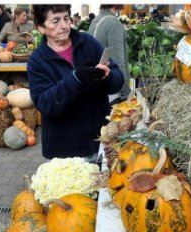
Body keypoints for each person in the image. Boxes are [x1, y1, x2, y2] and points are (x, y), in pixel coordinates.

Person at [29, 5, 124, 160]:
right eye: (55, 21)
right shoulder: (38, 61)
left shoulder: (87, 43)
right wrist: (75, 79)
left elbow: (117, 79)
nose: (64, 26)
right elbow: (44, 103)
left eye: (66, 18)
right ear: (41, 27)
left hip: (99, 141)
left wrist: (108, 76)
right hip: (64, 150)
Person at [88, 5, 131, 103]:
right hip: (111, 90)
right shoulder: (113, 23)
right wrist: (126, 92)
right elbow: (118, 60)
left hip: (96, 87)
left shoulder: (96, 20)